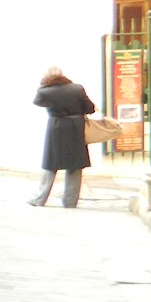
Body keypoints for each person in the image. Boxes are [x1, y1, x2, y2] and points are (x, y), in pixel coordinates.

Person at [29, 66, 96, 207]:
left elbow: (37, 102)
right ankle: (70, 202)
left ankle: (40, 199)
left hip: (56, 128)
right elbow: (90, 108)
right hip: (75, 128)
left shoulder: (44, 92)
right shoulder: (77, 88)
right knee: (75, 165)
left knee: (50, 164)